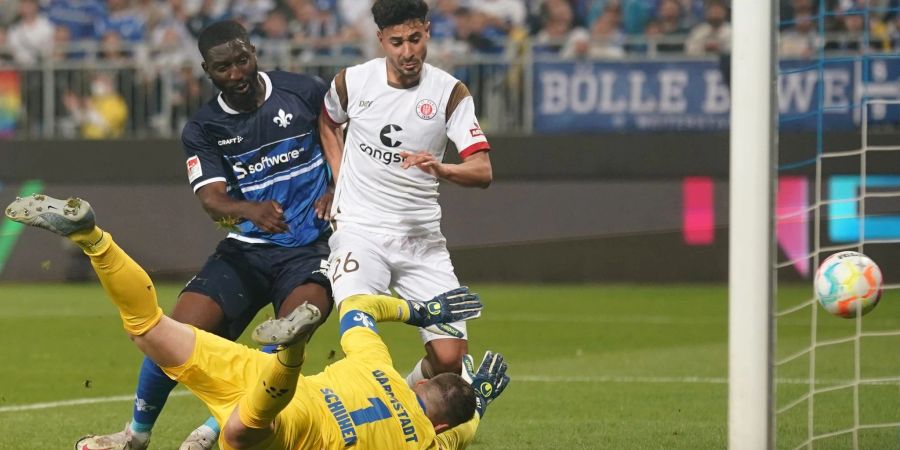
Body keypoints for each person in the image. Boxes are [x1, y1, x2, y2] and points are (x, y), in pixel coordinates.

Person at [5, 194, 508, 450]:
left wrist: (418, 311)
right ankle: (289, 350)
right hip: (290, 423)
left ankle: (95, 239)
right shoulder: (426, 441)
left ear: (421, 385)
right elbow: (464, 429)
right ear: (439, 422)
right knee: (244, 432)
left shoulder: (376, 365)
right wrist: (479, 399)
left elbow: (360, 309)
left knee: (149, 329)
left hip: (255, 374)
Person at [76, 20, 335, 450]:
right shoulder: (204, 127)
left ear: (254, 52)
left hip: (312, 249)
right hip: (247, 249)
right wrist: (250, 209)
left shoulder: (304, 90)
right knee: (172, 335)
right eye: (223, 67)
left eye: (242, 60)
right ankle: (135, 436)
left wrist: (333, 186)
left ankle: (216, 429)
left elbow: (343, 141)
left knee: (288, 336)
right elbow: (212, 199)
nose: (236, 73)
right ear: (206, 71)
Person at [318, 0, 493, 389]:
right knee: (358, 325)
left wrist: (442, 168)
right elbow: (329, 121)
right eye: (397, 42)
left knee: (449, 363)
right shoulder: (352, 82)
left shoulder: (450, 93)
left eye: (415, 39)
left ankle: (404, 395)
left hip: (421, 239)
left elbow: (482, 170)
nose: (408, 51)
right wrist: (338, 178)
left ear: (427, 31)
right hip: (359, 230)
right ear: (381, 40)